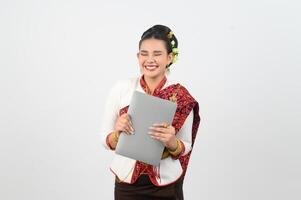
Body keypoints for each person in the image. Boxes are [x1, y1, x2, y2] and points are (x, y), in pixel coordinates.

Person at [100, 24, 201, 200]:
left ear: (170, 57)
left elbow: (186, 146)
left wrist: (171, 142)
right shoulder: (121, 89)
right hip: (126, 183)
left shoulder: (181, 96)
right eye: (144, 54)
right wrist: (118, 133)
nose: (150, 59)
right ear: (138, 57)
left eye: (157, 54)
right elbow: (104, 139)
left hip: (166, 185)